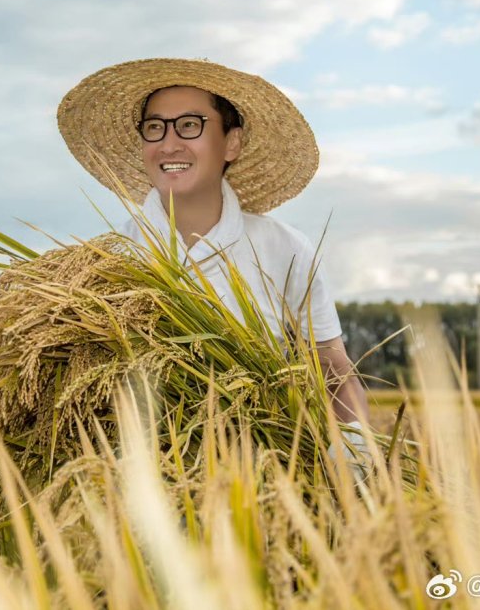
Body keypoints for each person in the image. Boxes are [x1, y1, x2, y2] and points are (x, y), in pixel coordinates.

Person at [57, 58, 370, 472]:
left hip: (270, 481)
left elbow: (333, 369)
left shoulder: (283, 248)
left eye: (190, 125)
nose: (169, 144)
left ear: (232, 143)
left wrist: (359, 457)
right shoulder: (109, 260)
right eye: (155, 127)